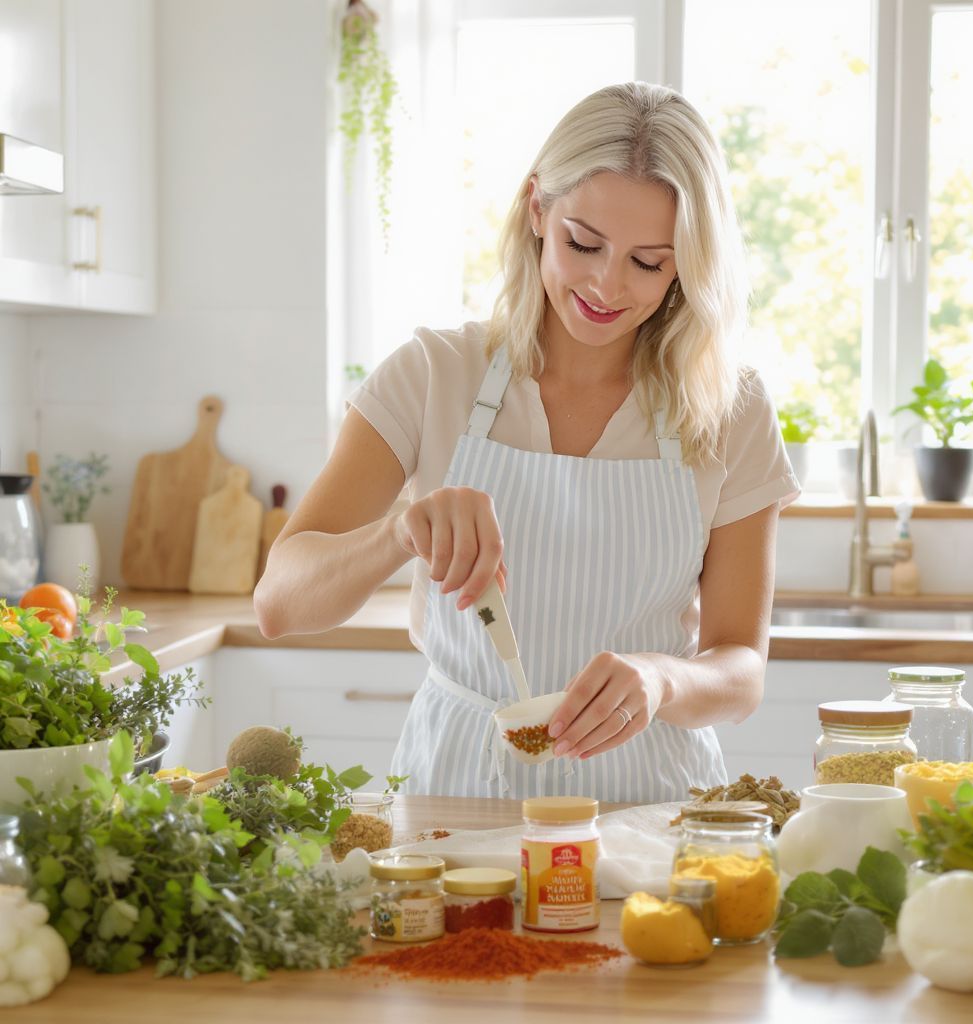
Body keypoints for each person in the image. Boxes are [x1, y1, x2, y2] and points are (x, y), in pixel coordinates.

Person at [255, 81, 799, 802]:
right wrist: (398, 535)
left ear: (688, 264)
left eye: (649, 262)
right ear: (537, 209)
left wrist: (664, 678)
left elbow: (740, 670)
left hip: (649, 806)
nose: (607, 285)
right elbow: (279, 603)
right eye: (584, 243)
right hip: (457, 795)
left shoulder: (732, 407)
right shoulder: (433, 375)